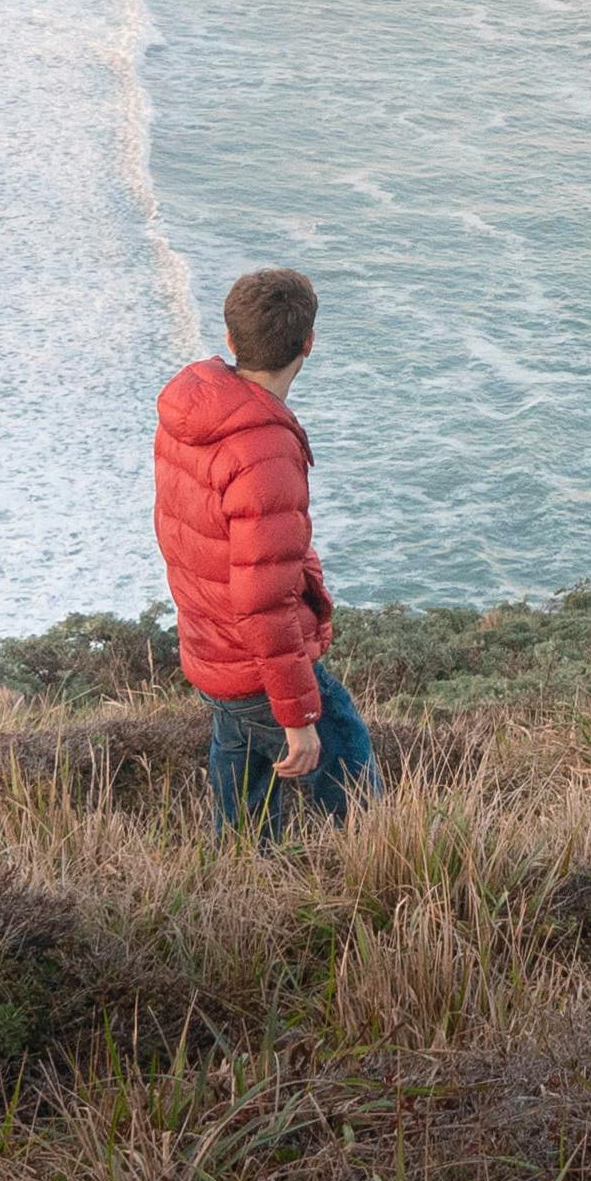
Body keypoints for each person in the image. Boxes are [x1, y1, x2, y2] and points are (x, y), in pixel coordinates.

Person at [153, 264, 377, 833]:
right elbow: (263, 599)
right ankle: (390, 891)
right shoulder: (263, 450)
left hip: (210, 644)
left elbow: (200, 537)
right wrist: (299, 715)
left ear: (230, 339)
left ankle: (240, 884)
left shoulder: (191, 415)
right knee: (360, 792)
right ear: (309, 344)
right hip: (254, 661)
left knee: (242, 792)